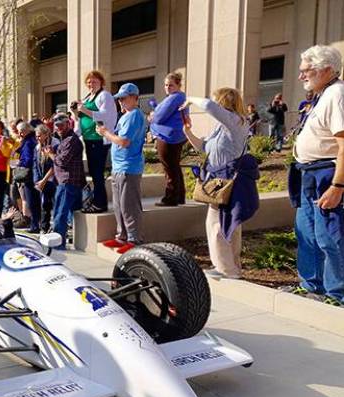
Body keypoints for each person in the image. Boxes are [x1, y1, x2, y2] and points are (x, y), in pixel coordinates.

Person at [285, 45, 344, 306]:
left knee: (329, 236)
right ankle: (311, 286)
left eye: (305, 71)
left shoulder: (337, 94)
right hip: (308, 175)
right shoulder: (322, 95)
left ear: (327, 69)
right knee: (306, 233)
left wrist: (338, 186)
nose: (300, 77)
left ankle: (338, 294)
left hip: (325, 176)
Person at [181, 88, 258, 280]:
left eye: (217, 101)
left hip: (228, 181)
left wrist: (189, 98)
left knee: (218, 224)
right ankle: (231, 267)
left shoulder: (236, 122)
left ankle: (226, 269)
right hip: (218, 180)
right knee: (228, 223)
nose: (214, 105)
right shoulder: (220, 128)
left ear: (223, 102)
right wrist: (188, 132)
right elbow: (203, 147)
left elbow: (208, 105)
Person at [97, 83, 148, 253]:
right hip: (120, 167)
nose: (121, 102)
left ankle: (134, 239)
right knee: (119, 204)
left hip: (129, 167)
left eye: (124, 98)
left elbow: (124, 142)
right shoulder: (127, 115)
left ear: (135, 98)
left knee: (129, 205)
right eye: (119, 99)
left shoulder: (134, 115)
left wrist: (105, 133)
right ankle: (123, 236)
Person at [70, 70, 118, 213]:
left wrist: (84, 110)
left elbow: (104, 115)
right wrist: (75, 112)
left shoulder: (105, 96)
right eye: (89, 81)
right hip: (88, 139)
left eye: (94, 81)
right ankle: (96, 201)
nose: (91, 84)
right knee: (93, 172)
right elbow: (81, 120)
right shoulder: (87, 97)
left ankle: (100, 204)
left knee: (97, 173)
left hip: (99, 140)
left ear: (101, 82)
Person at [46, 113, 85, 249]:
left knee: (59, 215)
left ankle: (58, 246)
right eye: (57, 126)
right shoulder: (65, 140)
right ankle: (65, 243)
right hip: (69, 183)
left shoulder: (71, 140)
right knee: (67, 216)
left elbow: (62, 161)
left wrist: (51, 154)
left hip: (67, 183)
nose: (58, 128)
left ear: (68, 124)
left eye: (61, 125)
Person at [150, 72, 188, 207]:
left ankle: (170, 197)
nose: (167, 88)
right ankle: (179, 196)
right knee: (174, 166)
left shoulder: (175, 97)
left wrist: (153, 116)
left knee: (169, 168)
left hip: (168, 137)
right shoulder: (179, 97)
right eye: (166, 85)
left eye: (171, 85)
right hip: (175, 135)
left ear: (178, 85)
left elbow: (159, 117)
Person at [14, 121, 41, 233]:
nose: (19, 134)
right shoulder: (30, 140)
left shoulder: (29, 142)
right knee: (34, 200)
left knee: (31, 200)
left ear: (26, 131)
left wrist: (19, 163)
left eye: (21, 132)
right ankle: (36, 224)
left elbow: (28, 159)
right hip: (33, 173)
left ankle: (35, 225)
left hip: (29, 174)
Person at [33, 124, 59, 233]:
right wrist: (37, 180)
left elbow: (56, 164)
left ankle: (60, 228)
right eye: (36, 136)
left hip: (54, 180)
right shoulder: (37, 147)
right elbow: (35, 164)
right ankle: (44, 227)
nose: (37, 138)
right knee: (45, 205)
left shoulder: (55, 144)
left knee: (57, 204)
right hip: (42, 181)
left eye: (39, 136)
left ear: (46, 134)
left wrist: (44, 180)